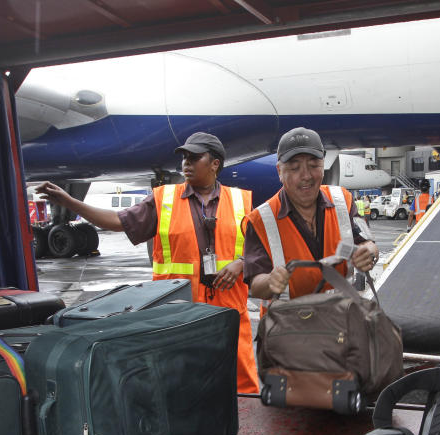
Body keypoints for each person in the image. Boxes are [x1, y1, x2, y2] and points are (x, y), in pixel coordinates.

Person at [35, 132, 259, 393]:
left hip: (228, 317)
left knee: (241, 392)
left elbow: (260, 248)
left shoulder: (241, 201)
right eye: (184, 157)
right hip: (177, 318)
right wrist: (70, 202)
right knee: (180, 392)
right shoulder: (163, 200)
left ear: (215, 164)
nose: (186, 163)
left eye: (194, 157)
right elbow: (118, 221)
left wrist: (241, 263)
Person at [244, 127, 378, 300]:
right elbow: (255, 285)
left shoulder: (343, 200)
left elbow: (369, 243)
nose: (306, 175)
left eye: (314, 165)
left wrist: (368, 253)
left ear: (323, 166)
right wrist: (270, 281)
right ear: (279, 171)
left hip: (341, 319)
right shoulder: (259, 220)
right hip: (289, 323)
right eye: (294, 168)